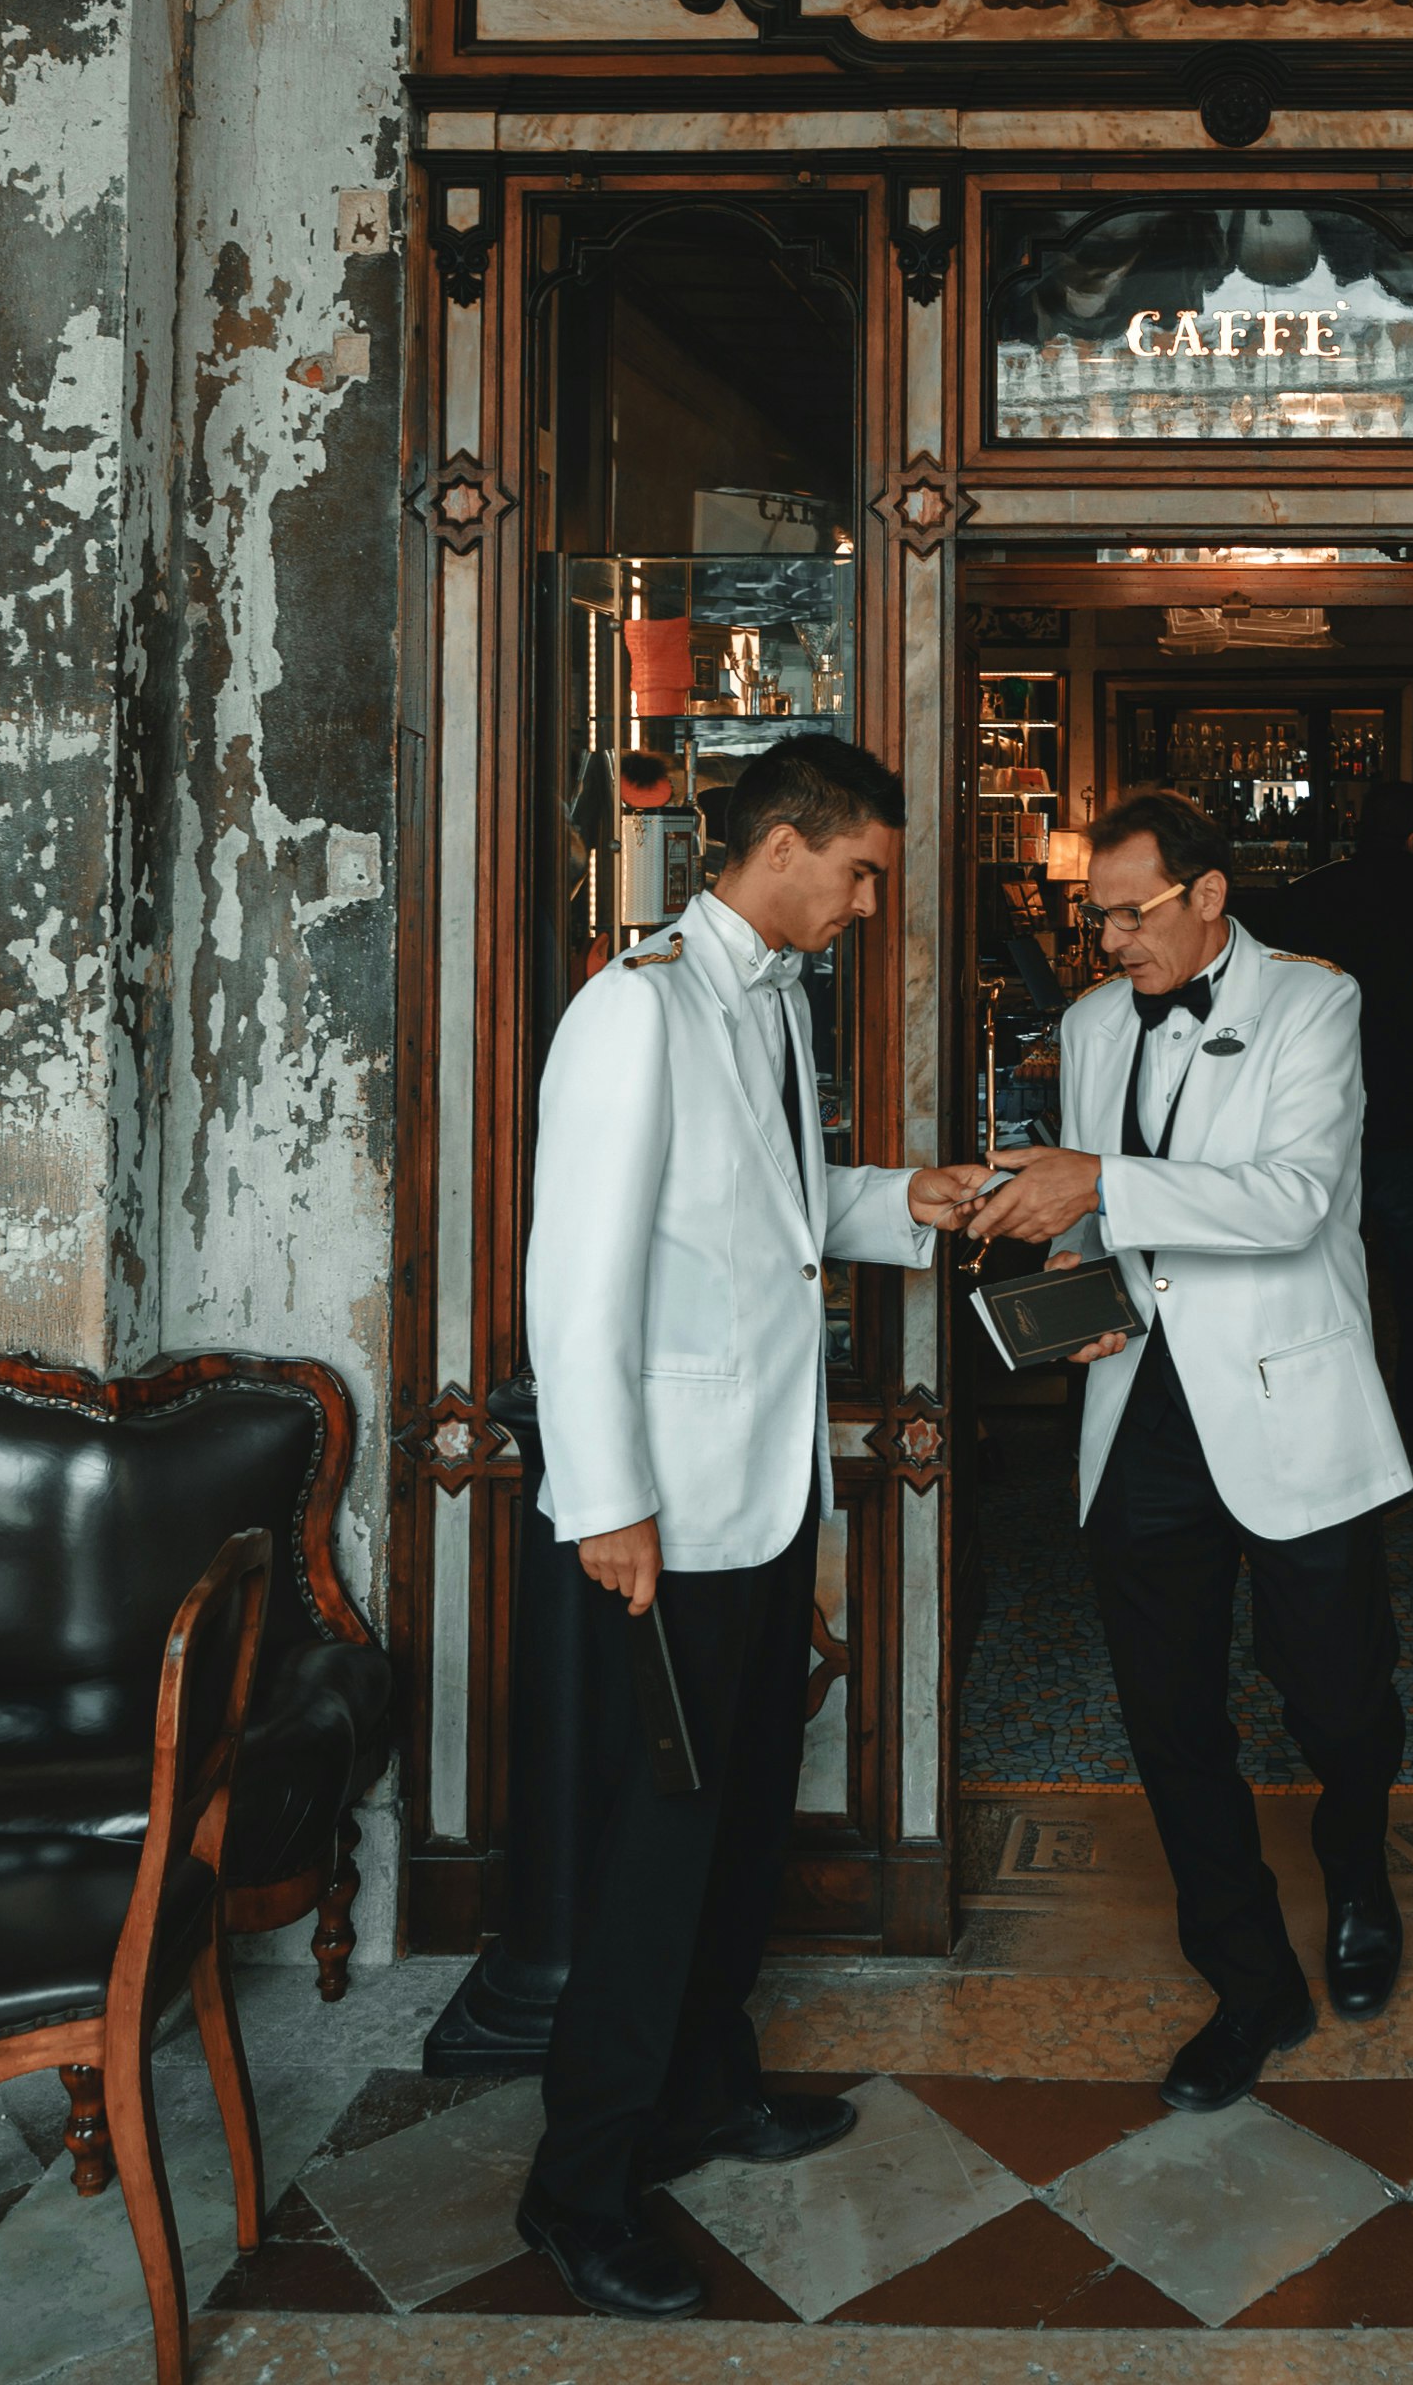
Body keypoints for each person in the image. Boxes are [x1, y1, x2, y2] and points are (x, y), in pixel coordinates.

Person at [499, 733, 986, 2321]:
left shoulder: (770, 1002)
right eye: (856, 876)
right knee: (658, 1855)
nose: (863, 908)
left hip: (770, 1492)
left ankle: (706, 2094)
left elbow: (775, 1217)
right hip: (666, 1512)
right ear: (783, 846)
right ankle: (577, 2188)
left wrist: (902, 1199)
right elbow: (571, 1288)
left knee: (745, 1820)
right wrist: (611, 1501)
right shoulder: (632, 1011)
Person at [963, 787, 1413, 2107]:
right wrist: (1078, 1294)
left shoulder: (1315, 1004)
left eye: (1126, 914)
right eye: (1090, 916)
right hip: (1143, 1421)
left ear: (1209, 894)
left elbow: (1290, 1203)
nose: (1105, 944)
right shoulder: (1100, 1025)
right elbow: (1107, 1232)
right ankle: (1248, 1980)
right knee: (1169, 1722)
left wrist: (1097, 1183)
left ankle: (1362, 1874)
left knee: (1338, 1698)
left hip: (1288, 1404)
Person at [1253, 778, 1413, 1481]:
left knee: (1307, 1288)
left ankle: (1307, 1453)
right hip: (1409, 1121)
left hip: (1309, 1123)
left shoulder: (1304, 896)